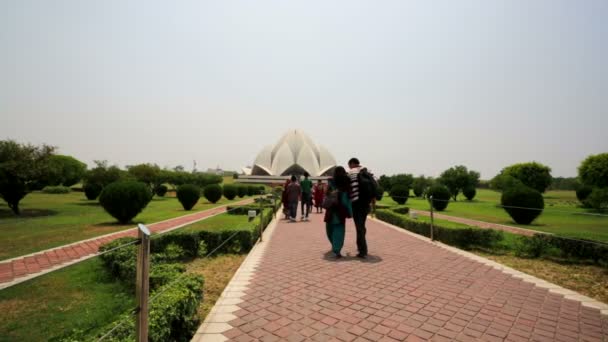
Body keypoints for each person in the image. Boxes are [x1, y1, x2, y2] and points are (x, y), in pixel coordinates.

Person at [348, 157, 375, 258]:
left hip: (356, 203)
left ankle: (363, 250)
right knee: (361, 225)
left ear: (352, 164)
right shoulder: (366, 171)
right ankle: (360, 246)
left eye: (349, 165)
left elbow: (348, 187)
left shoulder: (351, 172)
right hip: (366, 203)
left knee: (359, 227)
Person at [324, 167, 352, 259]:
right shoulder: (346, 183)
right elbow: (348, 199)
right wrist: (349, 211)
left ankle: (334, 246)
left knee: (330, 229)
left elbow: (326, 195)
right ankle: (337, 249)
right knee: (339, 230)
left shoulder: (331, 183)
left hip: (331, 210)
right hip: (341, 210)